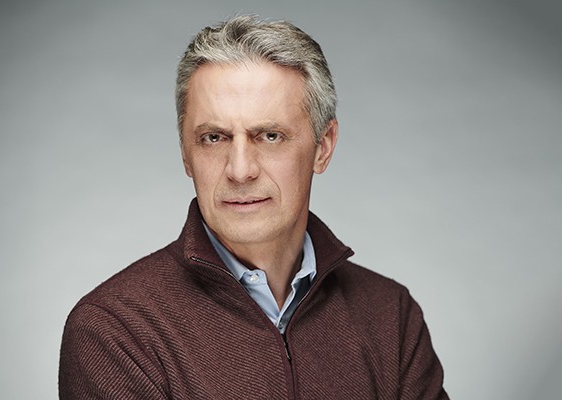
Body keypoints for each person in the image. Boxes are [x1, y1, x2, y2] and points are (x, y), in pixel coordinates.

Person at [59, 15, 449, 399]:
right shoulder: (114, 330)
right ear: (185, 153)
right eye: (214, 138)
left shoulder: (390, 315)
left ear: (323, 146)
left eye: (270, 136)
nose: (240, 170)